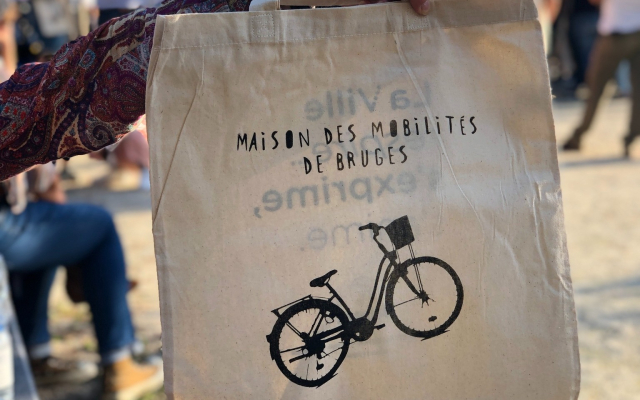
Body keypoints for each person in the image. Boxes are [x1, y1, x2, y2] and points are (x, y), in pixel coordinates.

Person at [562, 0, 640, 156]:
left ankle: (579, 135)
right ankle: (631, 139)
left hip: (613, 33)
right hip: (635, 32)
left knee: (596, 89)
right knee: (638, 92)